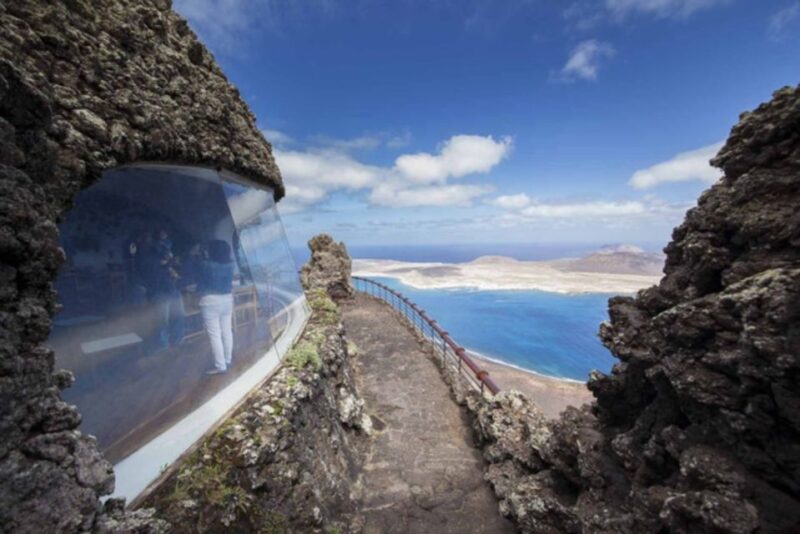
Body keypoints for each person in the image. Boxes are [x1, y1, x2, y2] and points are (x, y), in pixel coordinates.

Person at [197, 239, 235, 375]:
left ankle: (220, 366)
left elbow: (198, 272)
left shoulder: (206, 265)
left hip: (210, 300)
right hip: (227, 299)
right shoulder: (231, 264)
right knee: (227, 331)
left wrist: (201, 253)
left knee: (215, 335)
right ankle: (228, 359)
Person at [142, 235, 185, 352]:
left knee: (179, 316)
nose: (169, 252)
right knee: (162, 321)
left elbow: (179, 274)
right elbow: (156, 274)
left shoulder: (168, 261)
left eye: (169, 250)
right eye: (166, 251)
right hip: (161, 294)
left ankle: (178, 341)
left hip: (173, 291)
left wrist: (173, 267)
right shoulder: (151, 262)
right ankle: (163, 346)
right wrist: (169, 264)